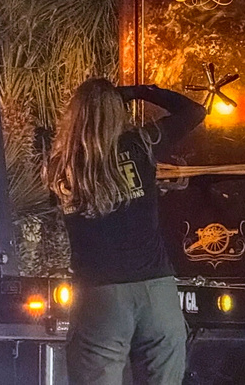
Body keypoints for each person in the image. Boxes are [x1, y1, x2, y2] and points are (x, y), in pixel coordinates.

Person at [46, 79, 206, 385]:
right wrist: (141, 92)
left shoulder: (60, 165)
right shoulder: (141, 143)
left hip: (100, 296)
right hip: (157, 293)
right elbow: (194, 111)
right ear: (118, 111)